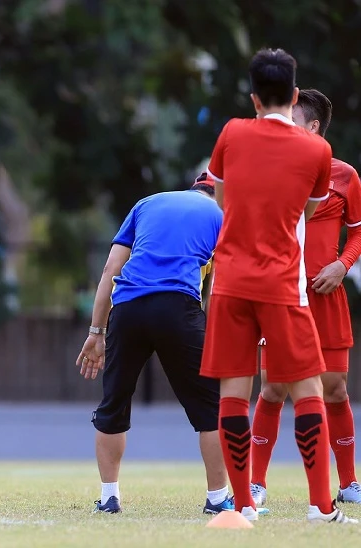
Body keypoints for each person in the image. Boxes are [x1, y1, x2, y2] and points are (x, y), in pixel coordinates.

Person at [200, 48, 356, 524]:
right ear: (293, 94)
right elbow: (304, 213)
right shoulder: (319, 150)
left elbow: (223, 202)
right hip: (283, 283)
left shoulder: (230, 132)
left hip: (229, 282)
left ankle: (243, 505)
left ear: (252, 97)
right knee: (308, 387)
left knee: (234, 391)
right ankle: (320, 506)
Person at [77, 175, 234, 515]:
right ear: (219, 194)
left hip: (128, 307)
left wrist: (95, 331)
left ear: (192, 187)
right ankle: (218, 499)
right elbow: (222, 281)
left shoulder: (146, 203)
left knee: (113, 403)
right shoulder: (223, 215)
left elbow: (109, 269)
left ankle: (108, 498)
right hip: (178, 309)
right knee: (210, 409)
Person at [250, 89, 361, 506]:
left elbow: (358, 231)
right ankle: (257, 484)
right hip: (282, 295)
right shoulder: (271, 171)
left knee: (335, 389)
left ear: (312, 127)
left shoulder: (345, 175)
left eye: (290, 120)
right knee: (273, 388)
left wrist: (341, 265)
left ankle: (349, 484)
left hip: (326, 295)